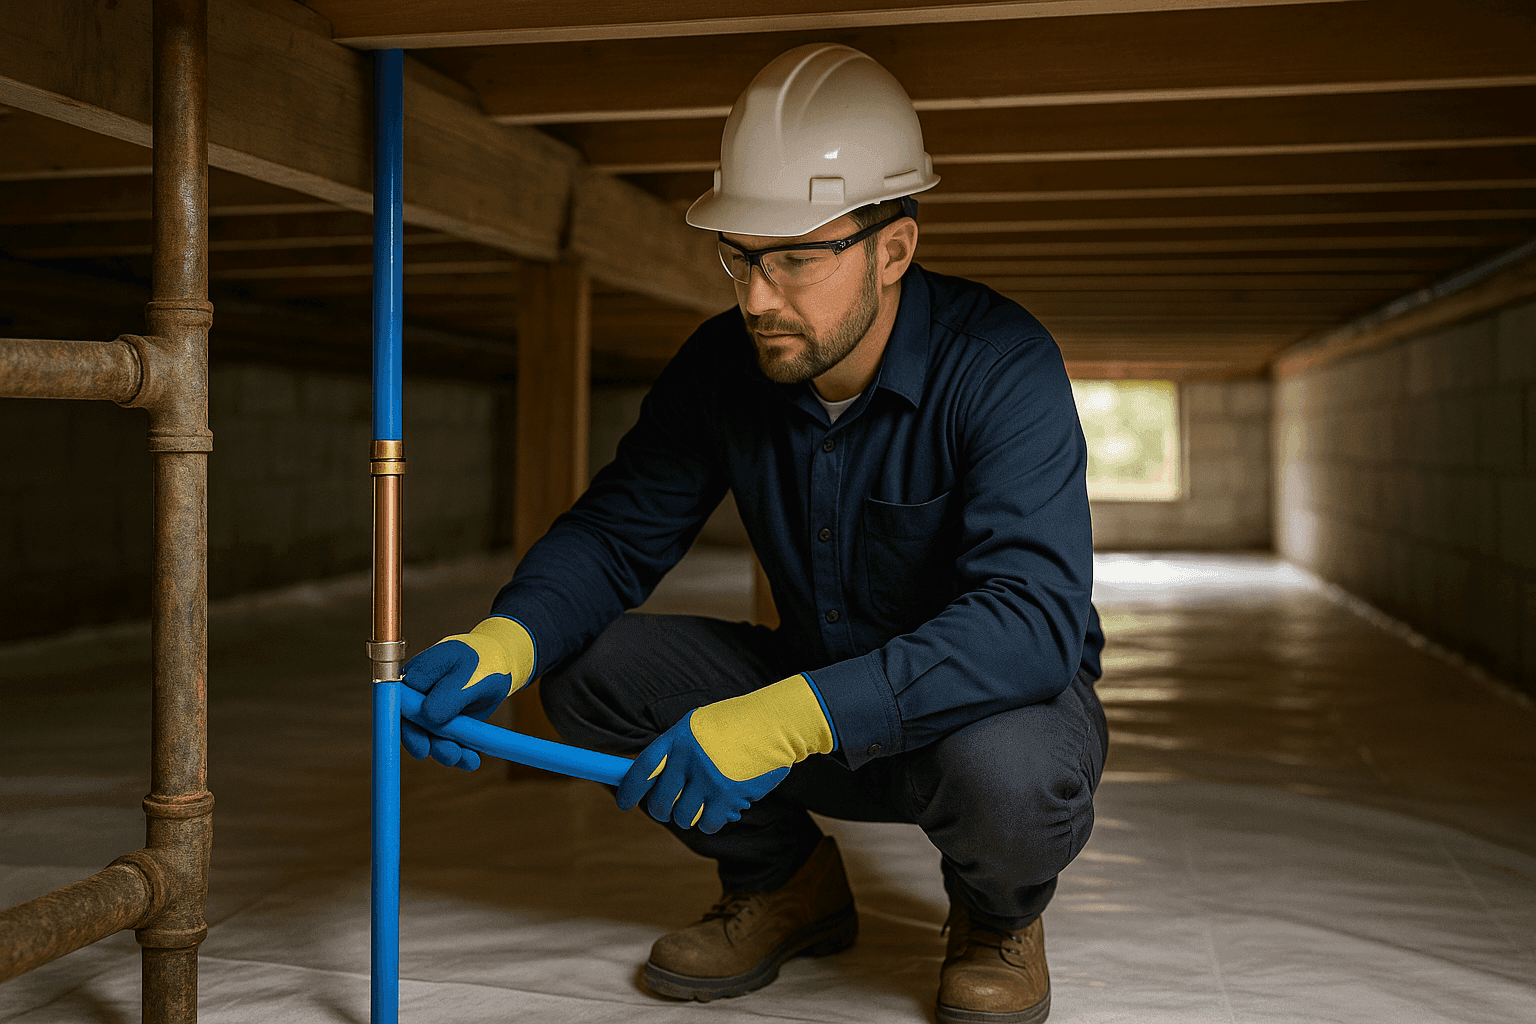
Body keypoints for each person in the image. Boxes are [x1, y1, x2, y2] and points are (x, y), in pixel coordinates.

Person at [401, 42, 1107, 1024]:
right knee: (586, 666)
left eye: (796, 259)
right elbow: (615, 533)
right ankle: (785, 882)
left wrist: (781, 721)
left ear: (894, 249)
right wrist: (504, 639)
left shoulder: (1000, 365)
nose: (757, 296)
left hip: (977, 718)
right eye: (740, 256)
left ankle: (997, 918)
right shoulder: (721, 366)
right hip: (814, 691)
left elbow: (1030, 624)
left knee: (1011, 775)